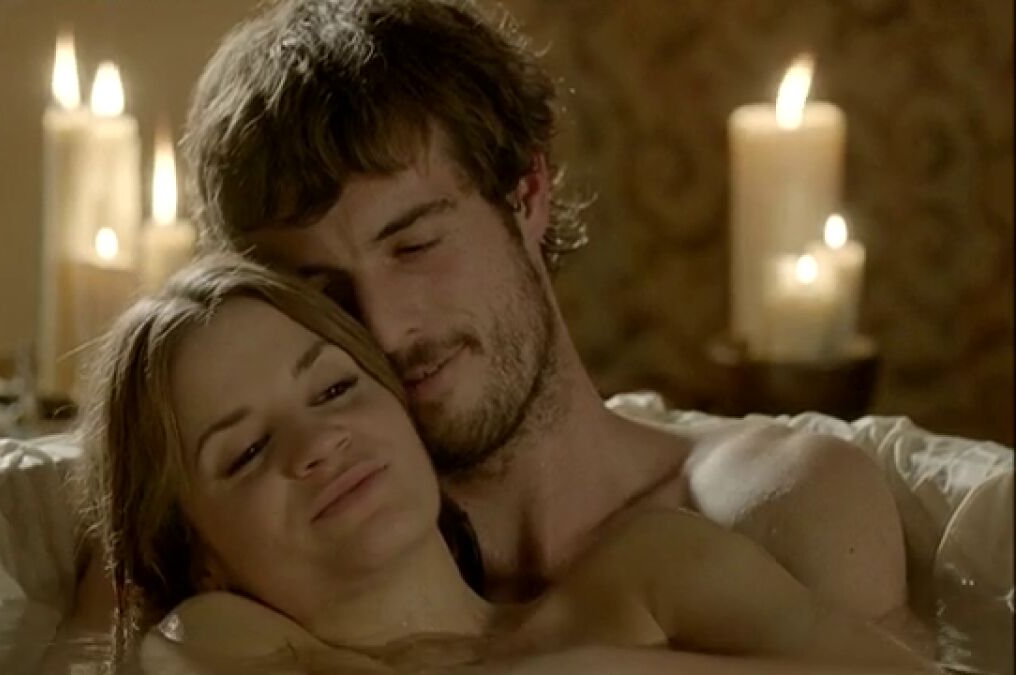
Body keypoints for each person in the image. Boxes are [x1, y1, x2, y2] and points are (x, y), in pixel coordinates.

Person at [176, 0, 929, 649]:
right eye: (323, 292)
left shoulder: (781, 508)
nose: (387, 327)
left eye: (414, 245)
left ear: (527, 193)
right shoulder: (282, 583)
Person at [80, 254, 933, 675]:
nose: (318, 442)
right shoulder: (213, 642)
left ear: (400, 407)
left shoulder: (656, 568)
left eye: (336, 388)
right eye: (246, 450)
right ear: (201, 556)